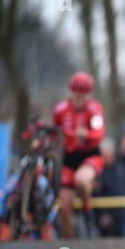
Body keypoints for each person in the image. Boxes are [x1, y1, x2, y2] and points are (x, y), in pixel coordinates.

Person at [52, 72, 105, 238]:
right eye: (77, 96)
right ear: (70, 93)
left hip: (90, 155)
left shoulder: (94, 108)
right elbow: (54, 132)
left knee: (81, 180)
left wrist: (87, 134)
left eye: (83, 96)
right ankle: (70, 244)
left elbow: (99, 133)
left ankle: (87, 211)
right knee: (64, 206)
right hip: (70, 157)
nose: (79, 100)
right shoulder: (60, 110)